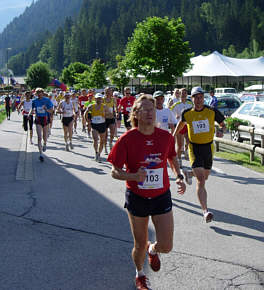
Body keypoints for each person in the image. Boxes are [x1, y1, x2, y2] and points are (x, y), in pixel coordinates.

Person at [108, 94, 186, 290]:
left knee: (167, 246)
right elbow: (114, 171)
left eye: (152, 109)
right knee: (139, 244)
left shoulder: (165, 137)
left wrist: (178, 176)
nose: (150, 113)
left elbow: (172, 157)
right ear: (136, 113)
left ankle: (154, 249)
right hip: (137, 198)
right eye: (145, 109)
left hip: (161, 196)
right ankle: (140, 274)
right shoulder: (127, 139)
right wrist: (133, 176)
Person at [173, 86, 226, 223]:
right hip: (194, 148)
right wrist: (172, 136)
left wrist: (221, 130)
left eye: (201, 96)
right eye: (196, 97)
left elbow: (222, 124)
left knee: (205, 176)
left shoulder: (212, 111)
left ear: (204, 98)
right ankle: (205, 211)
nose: (198, 99)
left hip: (208, 148)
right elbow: (180, 124)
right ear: (192, 98)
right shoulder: (187, 113)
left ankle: (189, 173)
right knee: (201, 180)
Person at [170, 88, 193, 167]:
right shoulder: (176, 104)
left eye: (185, 93)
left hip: (188, 125)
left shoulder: (190, 103)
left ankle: (186, 151)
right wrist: (175, 117)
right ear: (179, 94)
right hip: (179, 125)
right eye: (182, 93)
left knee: (189, 142)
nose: (183, 94)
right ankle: (179, 159)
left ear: (187, 94)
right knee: (180, 145)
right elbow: (170, 114)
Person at [30, 88, 53, 162]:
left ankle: (45, 143)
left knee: (44, 136)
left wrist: (46, 109)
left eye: (40, 92)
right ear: (36, 94)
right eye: (38, 93)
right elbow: (32, 108)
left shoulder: (47, 100)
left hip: (45, 119)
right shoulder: (34, 101)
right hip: (38, 119)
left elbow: (51, 110)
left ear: (43, 93)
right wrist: (29, 113)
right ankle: (41, 154)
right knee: (39, 137)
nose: (39, 94)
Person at [85, 93, 107, 163]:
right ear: (95, 99)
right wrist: (87, 121)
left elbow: (110, 114)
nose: (99, 100)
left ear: (102, 99)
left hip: (102, 124)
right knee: (95, 139)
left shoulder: (104, 107)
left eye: (100, 98)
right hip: (94, 124)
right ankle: (96, 152)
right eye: (97, 98)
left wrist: (106, 116)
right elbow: (85, 113)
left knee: (102, 141)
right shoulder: (91, 106)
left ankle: (99, 154)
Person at [103, 87, 117, 154]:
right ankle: (105, 147)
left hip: (111, 118)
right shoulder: (102, 99)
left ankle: (110, 143)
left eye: (110, 91)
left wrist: (116, 113)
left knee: (112, 132)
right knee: (105, 135)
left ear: (111, 92)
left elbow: (115, 108)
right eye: (107, 91)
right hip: (104, 119)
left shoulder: (113, 99)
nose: (108, 93)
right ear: (105, 92)